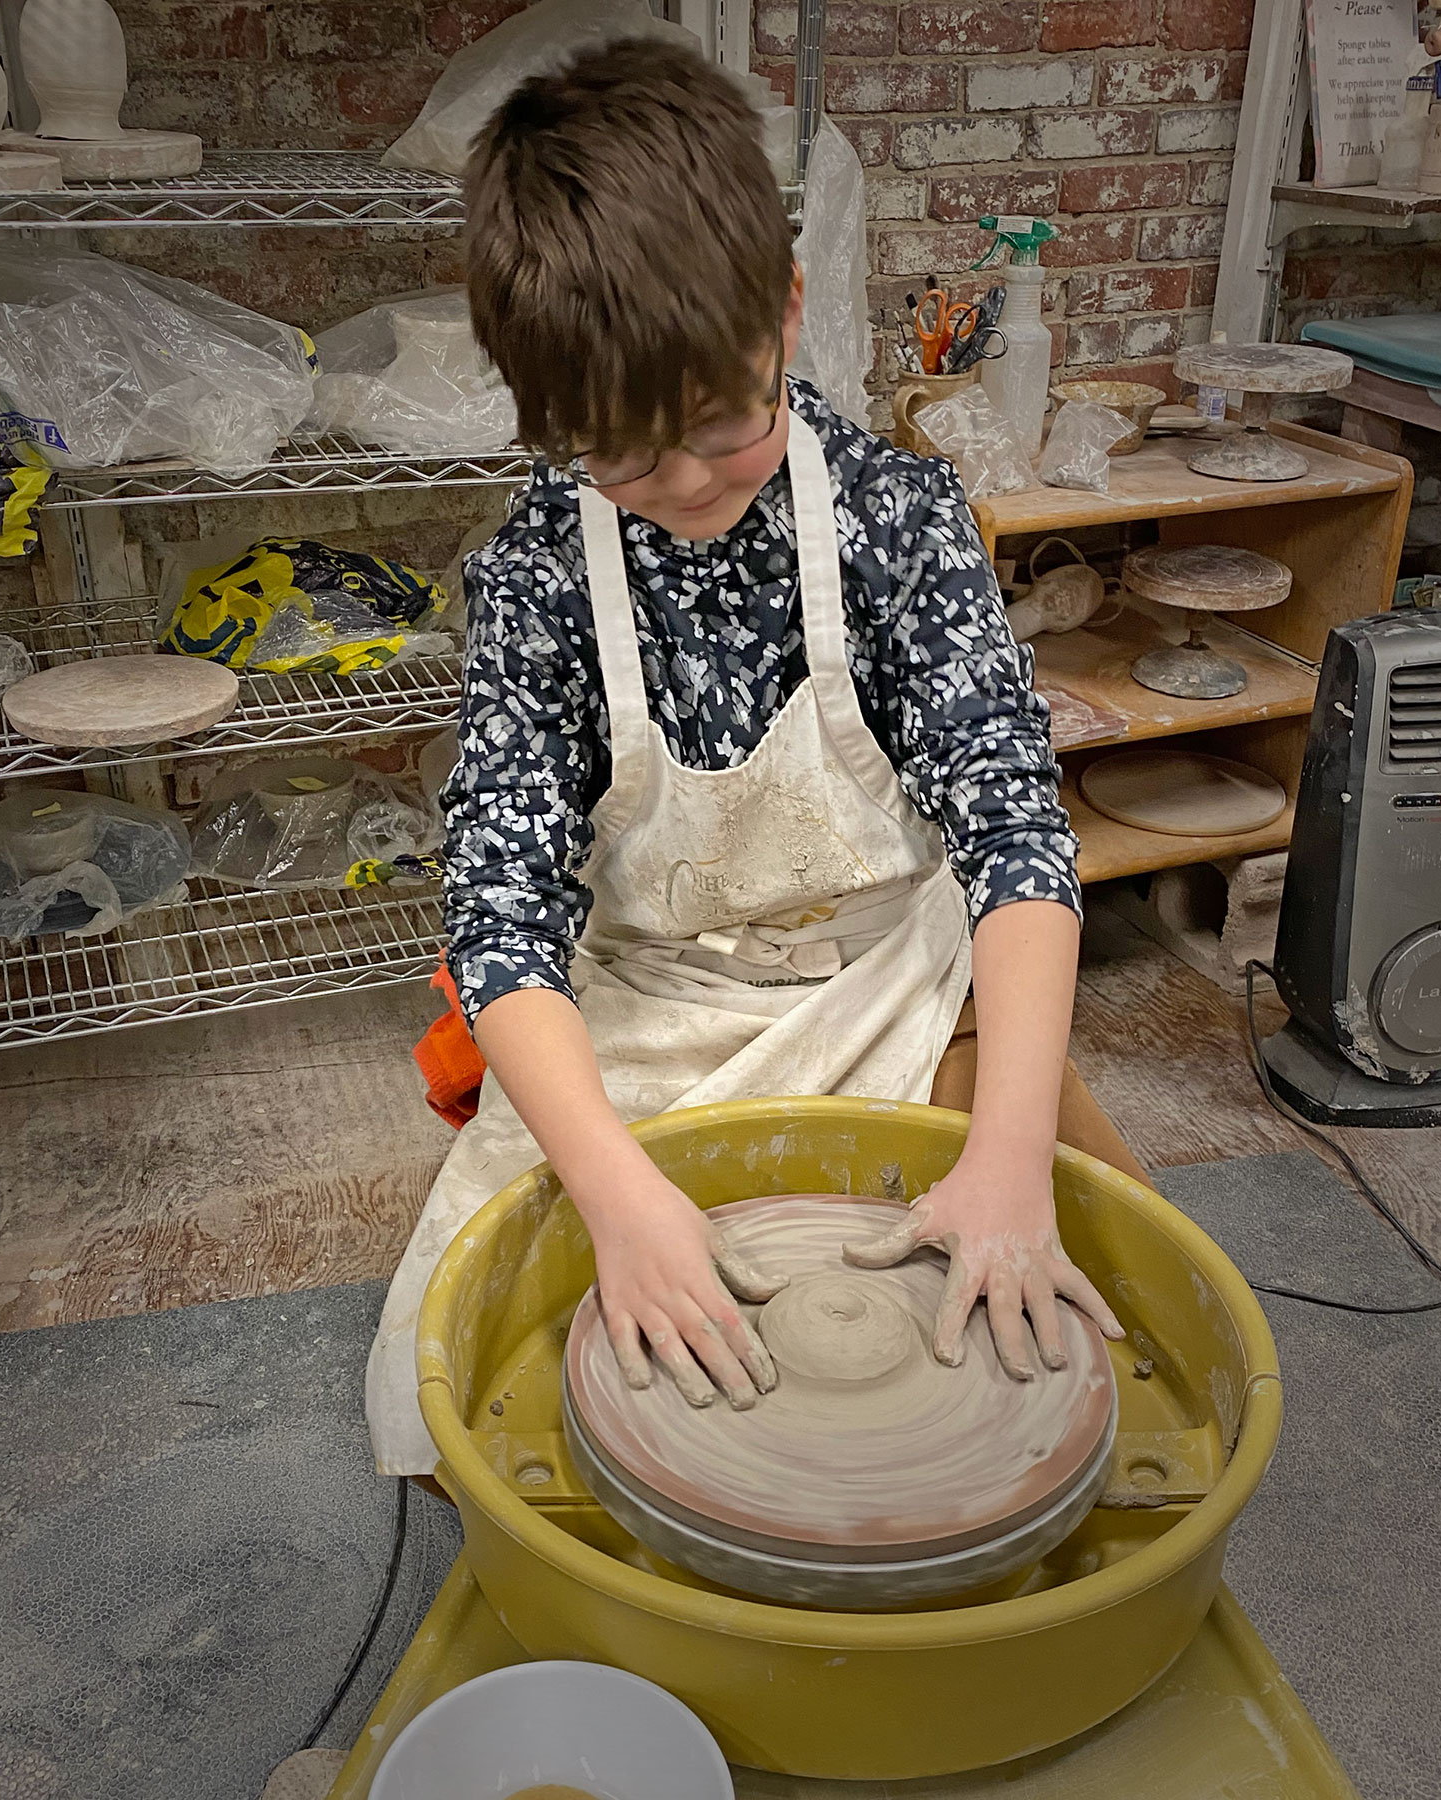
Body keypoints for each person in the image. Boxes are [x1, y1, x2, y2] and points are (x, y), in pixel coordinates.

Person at [367, 38, 1126, 1477]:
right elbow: (501, 927)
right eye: (625, 462)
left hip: (888, 988)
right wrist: (623, 1202)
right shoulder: (538, 571)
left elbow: (1017, 840)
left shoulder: (897, 517)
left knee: (1074, 1301)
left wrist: (1011, 1160)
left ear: (784, 314)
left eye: (722, 427)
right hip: (649, 1013)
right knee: (437, 1396)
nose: (690, 483)